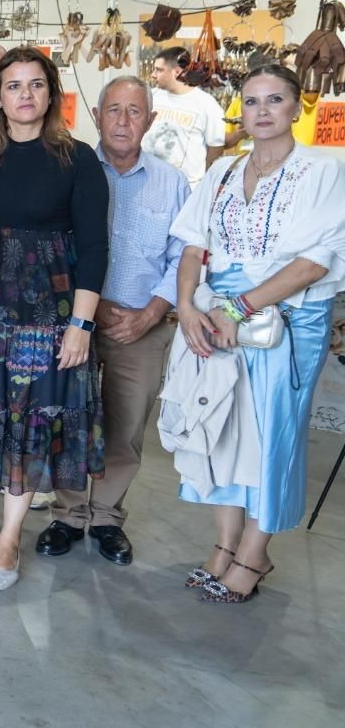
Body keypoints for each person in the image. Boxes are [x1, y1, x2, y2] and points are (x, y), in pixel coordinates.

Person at [171, 63, 345, 603]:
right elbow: (194, 247)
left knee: (272, 435)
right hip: (215, 315)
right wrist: (185, 308)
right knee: (219, 428)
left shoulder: (323, 170)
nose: (261, 111)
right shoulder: (224, 171)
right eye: (250, 102)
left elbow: (315, 263)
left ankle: (254, 552)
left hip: (285, 320)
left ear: (297, 107)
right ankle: (224, 545)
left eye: (274, 100)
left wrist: (237, 309)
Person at [0, 45, 108, 591]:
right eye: (12, 86)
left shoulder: (78, 158)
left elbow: (95, 246)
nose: (24, 95)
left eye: (35, 85)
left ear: (51, 92)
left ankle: (10, 536)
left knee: (29, 425)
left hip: (50, 310)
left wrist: (81, 325)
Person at [40, 76, 189, 567]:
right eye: (114, 110)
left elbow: (184, 256)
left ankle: (105, 518)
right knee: (67, 419)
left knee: (125, 426)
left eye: (134, 111)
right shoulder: (72, 169)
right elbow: (60, 242)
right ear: (96, 115)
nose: (123, 121)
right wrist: (93, 307)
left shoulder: (172, 182)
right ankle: (67, 514)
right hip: (76, 319)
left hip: (142, 326)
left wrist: (151, 312)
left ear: (150, 119)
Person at [144, 45, 226, 185]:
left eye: (159, 70)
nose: (153, 75)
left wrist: (203, 183)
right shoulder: (150, 96)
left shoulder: (207, 105)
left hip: (186, 188)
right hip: (147, 182)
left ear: (176, 71)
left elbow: (216, 147)